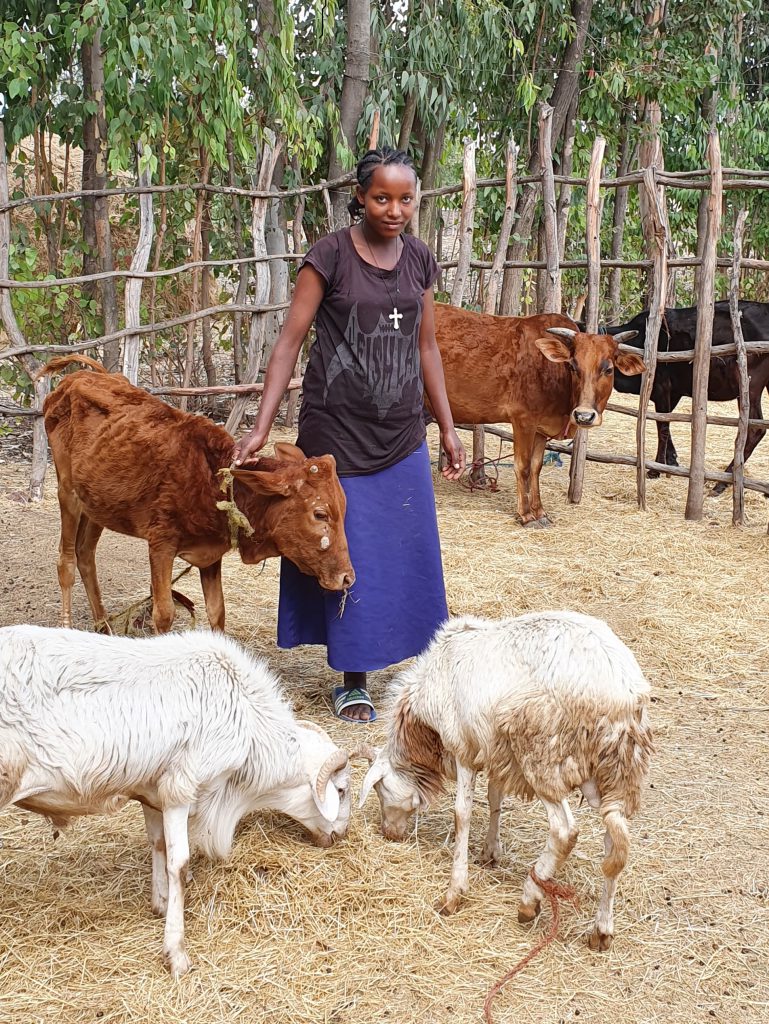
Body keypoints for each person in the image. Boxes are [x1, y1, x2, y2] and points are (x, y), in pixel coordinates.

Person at [233, 145, 465, 723]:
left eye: (405, 199)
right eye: (382, 197)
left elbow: (427, 346)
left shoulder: (418, 261)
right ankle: (353, 677)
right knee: (342, 544)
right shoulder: (330, 256)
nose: (394, 209)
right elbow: (289, 342)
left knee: (408, 551)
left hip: (402, 430)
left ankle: (420, 670)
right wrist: (262, 426)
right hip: (335, 435)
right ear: (360, 197)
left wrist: (448, 426)